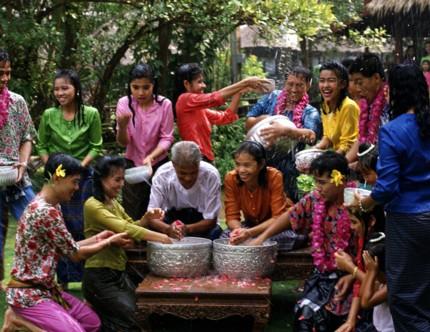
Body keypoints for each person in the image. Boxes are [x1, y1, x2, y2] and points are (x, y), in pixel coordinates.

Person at [5, 153, 132, 332]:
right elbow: (75, 255)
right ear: (57, 178)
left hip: (47, 290)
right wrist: (110, 241)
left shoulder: (51, 205)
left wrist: (98, 237)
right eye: (74, 181)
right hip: (29, 295)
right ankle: (19, 320)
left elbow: (69, 246)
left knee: (91, 323)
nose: (77, 187)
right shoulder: (45, 211)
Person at [356, 64, 430, 331]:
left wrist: (367, 202)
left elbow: (387, 187)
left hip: (407, 221)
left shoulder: (393, 130)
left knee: (404, 296)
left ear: (395, 91)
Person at [251, 151, 354, 331]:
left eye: (322, 182)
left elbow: (369, 249)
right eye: (316, 182)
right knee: (304, 317)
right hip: (322, 273)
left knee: (327, 322)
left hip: (351, 277)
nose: (318, 187)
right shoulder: (315, 199)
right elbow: (290, 216)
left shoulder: (356, 205)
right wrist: (261, 238)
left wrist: (353, 274)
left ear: (341, 181)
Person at [82, 156, 172, 331]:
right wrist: (162, 238)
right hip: (99, 277)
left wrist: (146, 219)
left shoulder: (113, 203)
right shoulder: (93, 205)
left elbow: (131, 226)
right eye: (117, 179)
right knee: (133, 321)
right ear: (101, 179)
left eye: (123, 179)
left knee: (143, 315)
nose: (122, 184)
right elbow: (125, 228)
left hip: (118, 274)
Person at [37, 68, 103, 287]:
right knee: (59, 226)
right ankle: (62, 281)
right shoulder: (49, 115)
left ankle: (87, 279)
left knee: (83, 225)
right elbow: (42, 145)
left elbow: (96, 146)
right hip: (57, 177)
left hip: (83, 177)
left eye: (65, 88)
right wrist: (53, 168)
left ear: (76, 89)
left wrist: (77, 168)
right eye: (56, 89)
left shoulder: (91, 113)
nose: (60, 93)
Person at [245, 66, 322, 201]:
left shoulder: (310, 112)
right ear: (284, 82)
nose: (293, 89)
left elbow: (311, 137)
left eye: (299, 85)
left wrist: (286, 131)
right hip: (260, 164)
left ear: (308, 85)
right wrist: (266, 120)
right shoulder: (271, 98)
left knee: (284, 209)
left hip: (288, 172)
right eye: (290, 84)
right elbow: (248, 122)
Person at [223, 141, 306, 251]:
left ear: (261, 164)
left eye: (247, 165)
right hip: (250, 225)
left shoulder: (274, 176)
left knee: (292, 238)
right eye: (238, 164)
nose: (241, 170)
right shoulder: (231, 178)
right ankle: (254, 244)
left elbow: (278, 218)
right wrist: (238, 231)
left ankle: (251, 244)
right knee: (224, 236)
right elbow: (232, 217)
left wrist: (249, 233)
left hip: (276, 227)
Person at [116, 63, 174, 220]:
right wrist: (122, 127)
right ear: (129, 86)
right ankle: (136, 241)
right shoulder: (124, 103)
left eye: (146, 87)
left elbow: (167, 137)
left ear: (153, 85)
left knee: (160, 206)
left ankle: (159, 240)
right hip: (133, 164)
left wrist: (151, 157)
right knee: (132, 207)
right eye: (135, 87)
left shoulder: (164, 104)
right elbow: (123, 142)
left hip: (158, 163)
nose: (140, 92)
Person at [174, 63, 265, 162]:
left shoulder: (199, 109)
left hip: (205, 160)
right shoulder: (184, 100)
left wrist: (239, 91)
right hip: (194, 161)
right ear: (187, 84)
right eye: (199, 82)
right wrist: (244, 82)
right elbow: (214, 98)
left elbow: (226, 117)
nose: (204, 85)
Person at [0, 49, 36, 288]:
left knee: (34, 221)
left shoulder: (17, 101)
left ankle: (31, 277)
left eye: (8, 72)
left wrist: (23, 163)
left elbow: (27, 136)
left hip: (16, 177)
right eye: (0, 73)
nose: (5, 78)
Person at [147, 141, 222, 240]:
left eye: (193, 172)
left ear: (199, 163)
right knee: (150, 232)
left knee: (216, 232)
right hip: (170, 219)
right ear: (173, 164)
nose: (188, 178)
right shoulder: (162, 175)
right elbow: (151, 217)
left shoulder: (211, 175)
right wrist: (168, 229)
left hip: (200, 224)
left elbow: (211, 220)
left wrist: (187, 229)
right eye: (182, 173)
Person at [334, 207, 385, 332]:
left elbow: (374, 287)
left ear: (371, 221)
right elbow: (363, 284)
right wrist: (350, 320)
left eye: (354, 222)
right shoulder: (366, 238)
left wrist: (351, 269)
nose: (351, 227)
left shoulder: (382, 248)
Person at [346, 54, 389, 164]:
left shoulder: (389, 104)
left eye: (360, 82)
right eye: (354, 83)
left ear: (376, 78)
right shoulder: (367, 102)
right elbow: (362, 139)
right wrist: (342, 163)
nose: (357, 89)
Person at [314, 62, 359, 156]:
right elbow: (328, 137)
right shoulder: (325, 104)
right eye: (322, 80)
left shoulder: (348, 106)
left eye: (331, 80)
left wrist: (329, 162)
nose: (325, 85)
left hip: (349, 160)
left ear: (342, 84)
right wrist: (314, 150)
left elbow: (348, 145)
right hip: (337, 156)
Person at [361, 234, 394, 332]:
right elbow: (362, 294)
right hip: (378, 327)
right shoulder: (379, 279)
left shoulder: (393, 284)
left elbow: (366, 303)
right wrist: (369, 271)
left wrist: (371, 272)